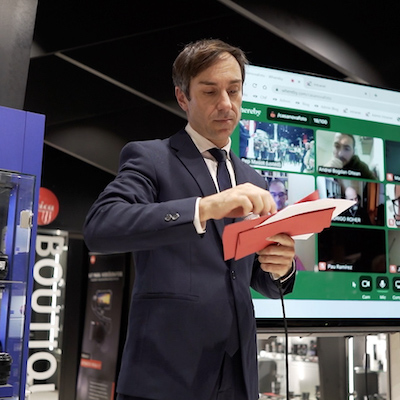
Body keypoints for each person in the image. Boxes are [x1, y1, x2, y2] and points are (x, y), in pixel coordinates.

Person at [84, 39, 296, 400]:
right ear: (183, 98)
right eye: (210, 91)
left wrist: (282, 267)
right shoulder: (151, 158)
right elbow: (101, 227)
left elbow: (258, 280)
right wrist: (203, 207)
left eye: (234, 90)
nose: (226, 104)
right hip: (166, 374)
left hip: (238, 375)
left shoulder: (254, 179)